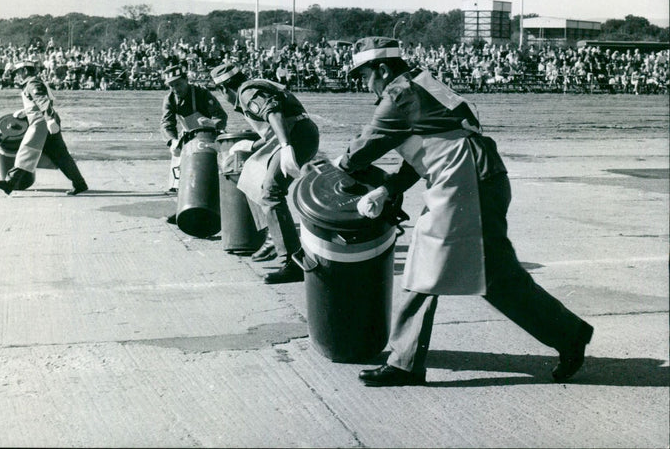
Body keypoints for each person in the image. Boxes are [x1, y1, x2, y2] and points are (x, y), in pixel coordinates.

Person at [334, 36, 594, 386]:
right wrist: (388, 188)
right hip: (474, 178)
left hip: (467, 182)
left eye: (364, 75)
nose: (365, 85)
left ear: (381, 68)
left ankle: (405, 363)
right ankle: (570, 334)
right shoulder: (422, 83)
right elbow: (433, 146)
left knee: (431, 265)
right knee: (496, 278)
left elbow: (364, 147)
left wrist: (336, 166)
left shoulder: (398, 94)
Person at [210, 62, 319, 284]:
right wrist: (250, 147)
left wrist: (287, 146)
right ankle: (274, 235)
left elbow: (274, 113)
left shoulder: (247, 91)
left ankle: (290, 259)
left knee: (271, 192)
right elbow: (271, 129)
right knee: (251, 176)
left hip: (295, 136)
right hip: (294, 134)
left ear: (224, 89)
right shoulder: (249, 88)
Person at [0, 56, 88, 196]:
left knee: (26, 151)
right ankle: (80, 183)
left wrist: (49, 120)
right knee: (61, 156)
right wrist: (26, 112)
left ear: (25, 70)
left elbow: (43, 102)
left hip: (41, 123)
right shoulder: (34, 82)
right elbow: (40, 103)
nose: (17, 75)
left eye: (18, 72)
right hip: (46, 122)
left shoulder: (32, 83)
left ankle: (9, 183)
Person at [160, 64, 229, 221]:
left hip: (211, 135)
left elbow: (221, 116)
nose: (175, 88)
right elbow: (166, 123)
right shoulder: (169, 99)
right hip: (189, 136)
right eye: (171, 85)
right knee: (181, 174)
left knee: (216, 172)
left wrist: (213, 124)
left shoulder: (202, 93)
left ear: (186, 80)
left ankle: (221, 209)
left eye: (178, 84)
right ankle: (183, 209)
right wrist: (172, 141)